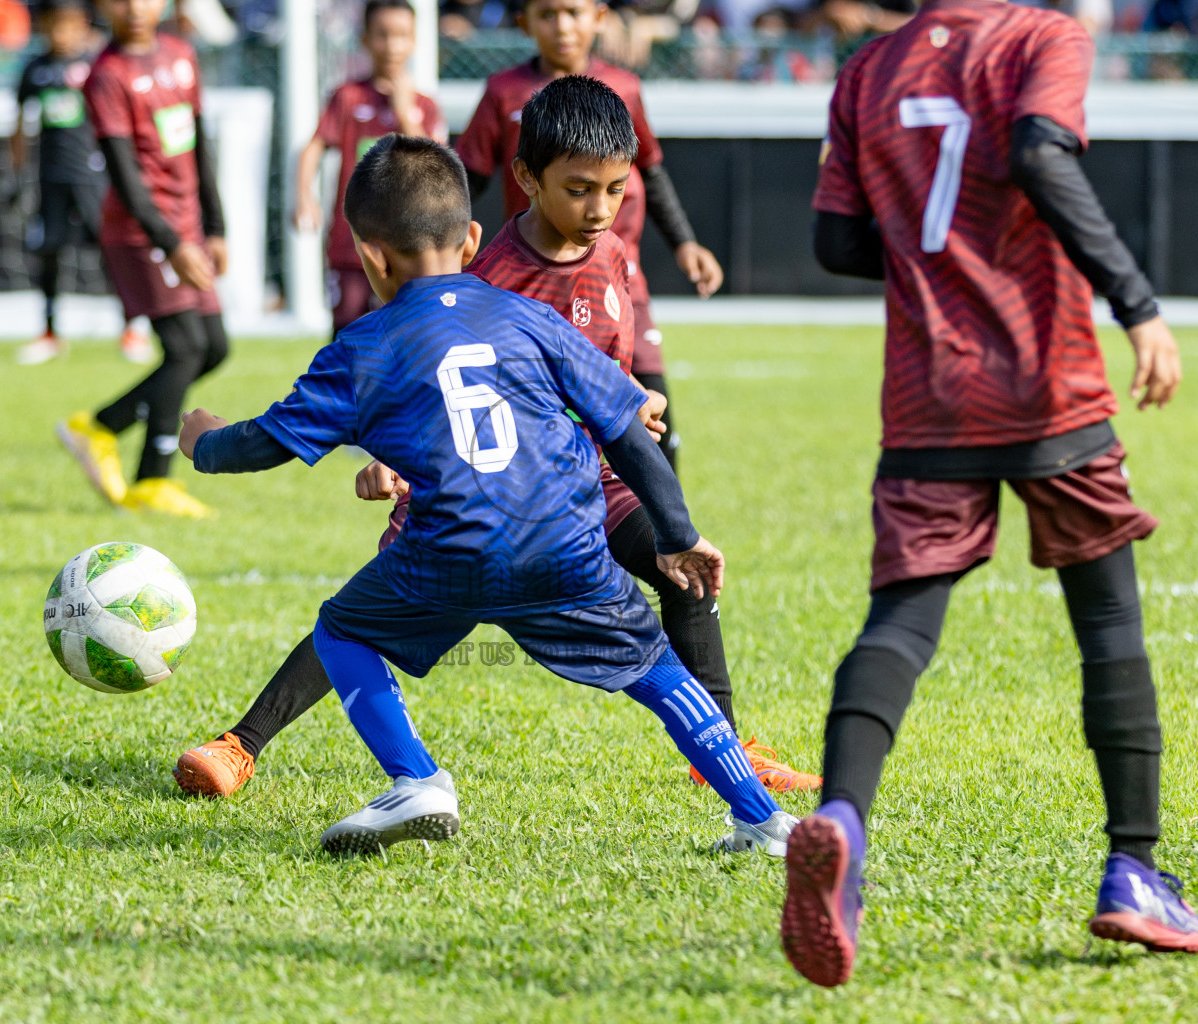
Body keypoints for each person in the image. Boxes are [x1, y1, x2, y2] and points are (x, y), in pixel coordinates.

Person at [172, 76, 817, 803]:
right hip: (484, 486)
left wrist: (633, 399)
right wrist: (390, 464)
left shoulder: (607, 250)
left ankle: (723, 752)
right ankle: (242, 741)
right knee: (362, 619)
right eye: (580, 191)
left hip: (591, 483)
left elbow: (595, 375)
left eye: (614, 190)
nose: (600, 209)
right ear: (526, 184)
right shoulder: (493, 279)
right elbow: (436, 376)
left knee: (685, 567)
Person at [778, 0, 1198, 988]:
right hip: (1048, 377)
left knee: (900, 620)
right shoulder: (1041, 38)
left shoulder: (869, 69)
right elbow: (1041, 154)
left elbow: (839, 244)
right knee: (1109, 625)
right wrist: (1138, 305)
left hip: (928, 389)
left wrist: (937, 257)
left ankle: (841, 815)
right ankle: (1135, 872)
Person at [455, 0, 725, 473]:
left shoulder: (623, 88)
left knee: (653, 424)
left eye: (574, 12)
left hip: (618, 282)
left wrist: (685, 242)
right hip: (537, 290)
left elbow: (652, 171)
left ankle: (660, 537)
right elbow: (464, 181)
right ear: (524, 23)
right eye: (547, 13)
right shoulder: (502, 92)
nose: (562, 26)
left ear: (598, 18)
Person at [55, 0, 230, 519]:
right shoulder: (106, 75)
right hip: (141, 232)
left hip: (188, 226)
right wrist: (171, 242)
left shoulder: (180, 53)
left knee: (213, 347)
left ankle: (101, 427)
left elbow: (200, 149)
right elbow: (125, 176)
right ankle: (150, 478)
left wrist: (214, 227)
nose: (135, 7)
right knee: (184, 348)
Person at [294, 0, 448, 338]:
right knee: (346, 336)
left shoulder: (424, 106)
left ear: (414, 40)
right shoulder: (348, 97)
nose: (392, 45)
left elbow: (436, 166)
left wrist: (406, 115)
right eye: (382, 35)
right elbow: (313, 147)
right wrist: (304, 195)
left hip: (406, 248)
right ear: (365, 39)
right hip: (352, 246)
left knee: (400, 339)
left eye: (401, 35)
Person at [11, 0, 152, 367]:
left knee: (112, 252)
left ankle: (133, 328)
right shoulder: (36, 69)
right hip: (50, 177)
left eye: (70, 25)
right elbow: (20, 123)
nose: (62, 33)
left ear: (83, 26)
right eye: (55, 26)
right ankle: (50, 332)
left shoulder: (97, 65)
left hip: (94, 174)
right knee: (48, 253)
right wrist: (16, 172)